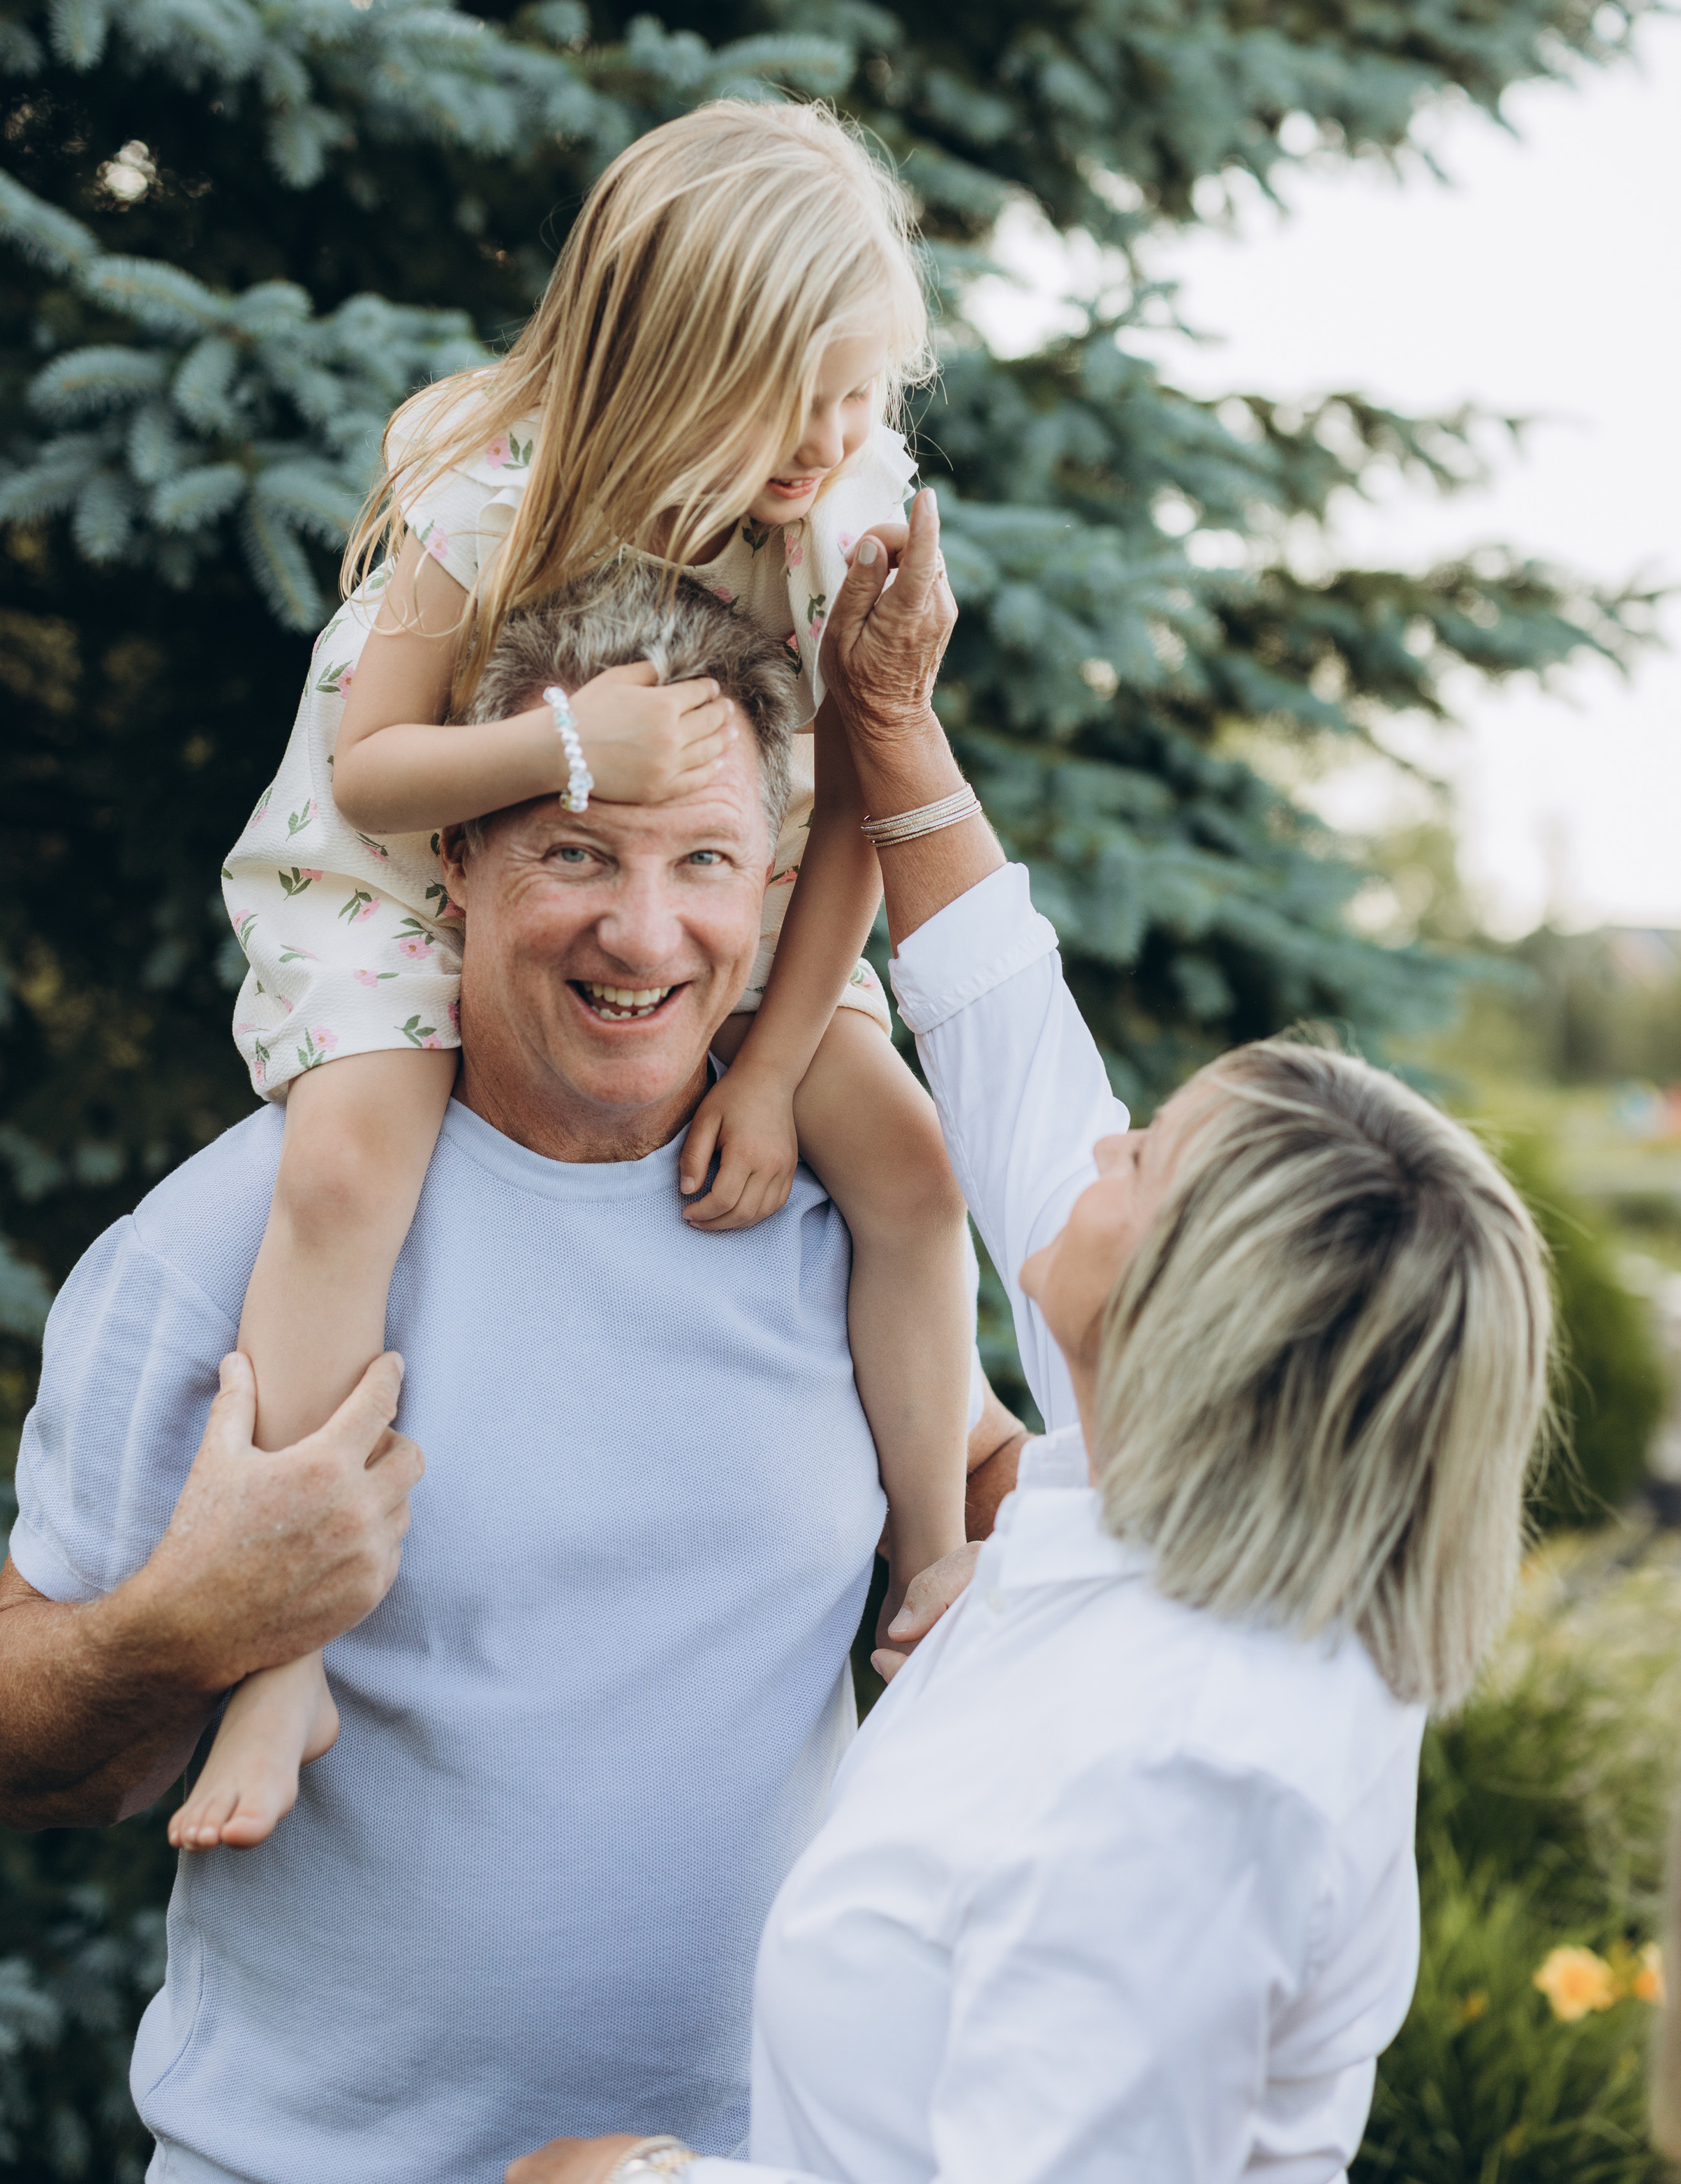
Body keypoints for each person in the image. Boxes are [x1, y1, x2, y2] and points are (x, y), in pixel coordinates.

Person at [512, 490, 1555, 2184]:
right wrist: (893, 720)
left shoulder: (1192, 1779)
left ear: (1199, 1319)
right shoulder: (1165, 1502)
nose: (1101, 1143)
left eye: (1145, 1160)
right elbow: (1011, 1044)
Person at [0, 567, 1030, 2184]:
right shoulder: (245, 1230)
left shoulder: (836, 1227)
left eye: (706, 863)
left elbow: (980, 1501)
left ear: (773, 884)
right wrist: (198, 1620)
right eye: (577, 853)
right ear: (455, 856)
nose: (644, 932)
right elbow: (10, 1748)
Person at [195, 97, 975, 1852]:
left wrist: (772, 1069)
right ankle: (281, 1652)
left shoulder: (838, 512)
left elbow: (850, 805)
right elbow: (373, 774)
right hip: (417, 871)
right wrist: (563, 749)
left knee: (912, 1169)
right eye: (804, 395)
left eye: (867, 392)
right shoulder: (492, 497)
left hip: (740, 886)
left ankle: (929, 1574)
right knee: (344, 1167)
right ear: (680, 354)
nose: (841, 434)